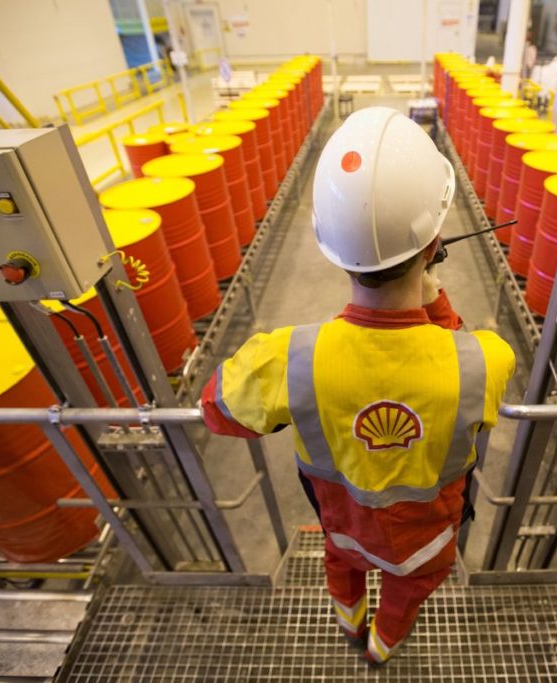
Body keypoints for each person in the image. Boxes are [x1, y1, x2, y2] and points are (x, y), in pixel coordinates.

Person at [200, 106, 515, 664]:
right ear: (430, 247)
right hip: (427, 545)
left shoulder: (288, 357)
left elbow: (215, 410)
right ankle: (379, 648)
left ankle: (350, 624)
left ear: (333, 248)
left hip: (343, 530)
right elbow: (457, 354)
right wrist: (436, 299)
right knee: (404, 596)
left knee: (342, 572)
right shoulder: (485, 360)